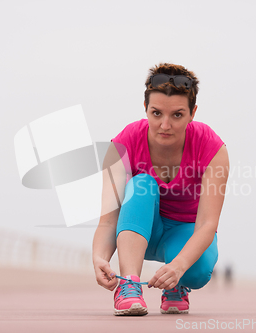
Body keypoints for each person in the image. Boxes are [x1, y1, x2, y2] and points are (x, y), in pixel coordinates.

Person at [92, 63, 229, 316]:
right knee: (141, 184)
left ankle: (176, 285)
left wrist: (178, 268)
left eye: (177, 115)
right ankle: (130, 285)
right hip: (138, 228)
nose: (165, 125)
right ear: (145, 108)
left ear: (192, 113)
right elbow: (109, 218)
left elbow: (208, 224)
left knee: (197, 273)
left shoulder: (212, 147)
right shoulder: (123, 143)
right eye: (156, 113)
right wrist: (100, 256)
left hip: (184, 231)